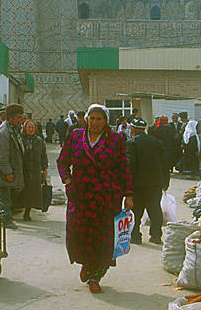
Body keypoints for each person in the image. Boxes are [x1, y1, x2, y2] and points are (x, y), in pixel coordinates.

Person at [56, 104, 133, 293]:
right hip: (80, 195)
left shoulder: (115, 140)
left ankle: (95, 275)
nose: (95, 122)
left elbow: (124, 167)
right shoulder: (75, 137)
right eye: (92, 118)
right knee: (78, 232)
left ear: (106, 121)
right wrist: (67, 180)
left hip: (106, 196)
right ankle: (86, 263)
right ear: (86, 119)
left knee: (103, 236)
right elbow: (63, 160)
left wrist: (128, 194)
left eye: (100, 119)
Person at [126, 118, 169, 245]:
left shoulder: (131, 143)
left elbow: (129, 165)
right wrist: (165, 182)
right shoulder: (157, 142)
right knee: (155, 210)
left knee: (135, 212)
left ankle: (135, 236)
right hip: (155, 184)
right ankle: (156, 236)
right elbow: (164, 163)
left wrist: (127, 186)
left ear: (133, 129)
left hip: (138, 185)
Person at [17, 119, 48, 221]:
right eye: (28, 127)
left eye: (32, 127)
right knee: (21, 191)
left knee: (31, 192)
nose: (31, 129)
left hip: (35, 171)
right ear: (25, 128)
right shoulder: (19, 139)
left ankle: (27, 212)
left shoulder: (39, 141)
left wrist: (45, 171)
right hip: (22, 170)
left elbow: (44, 157)